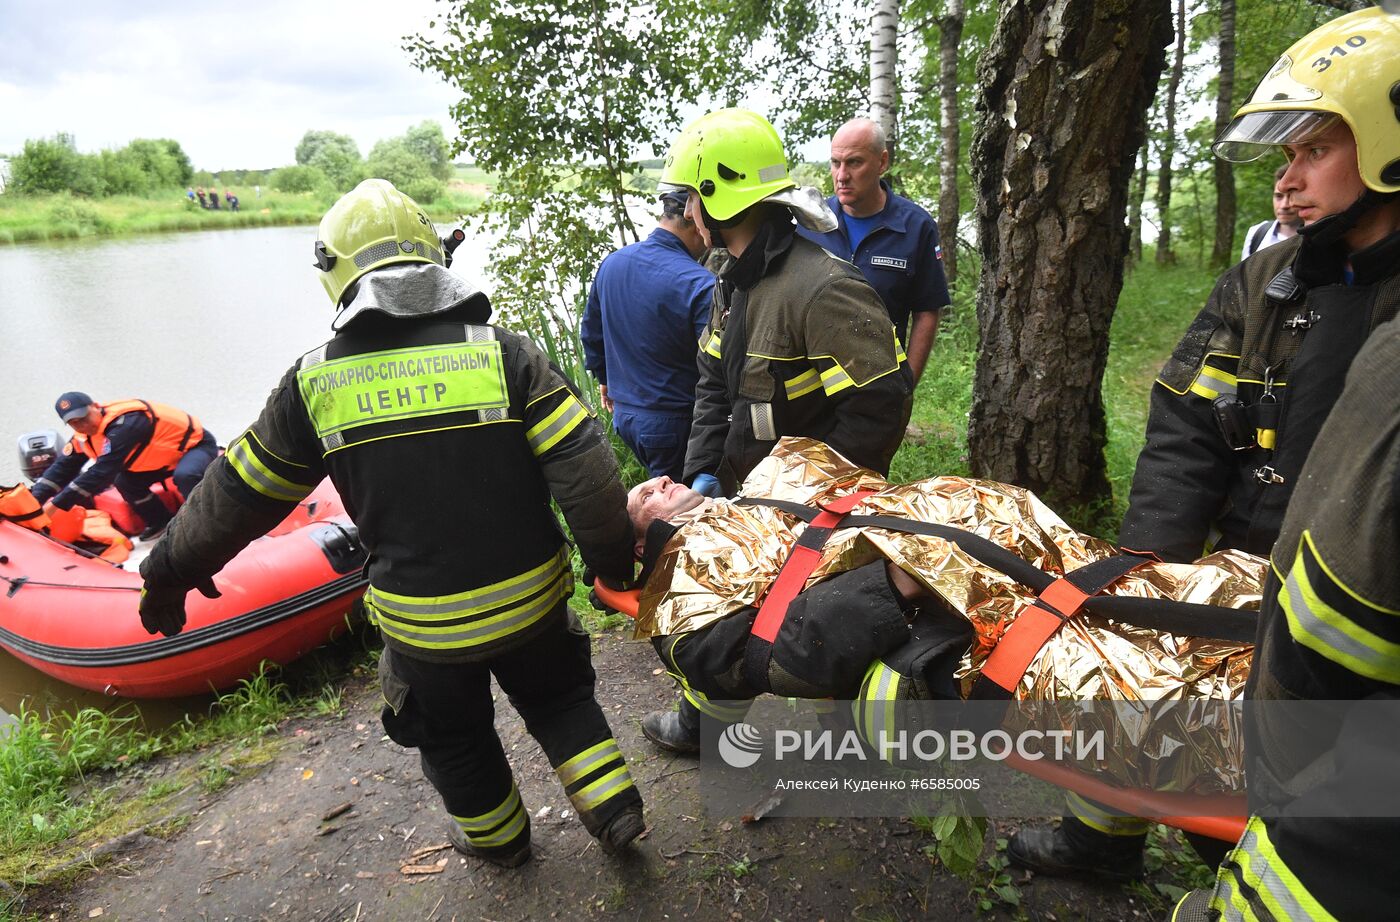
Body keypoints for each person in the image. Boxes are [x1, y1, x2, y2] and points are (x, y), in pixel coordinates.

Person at [136, 178, 647, 867]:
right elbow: (587, 476)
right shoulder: (504, 353)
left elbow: (237, 498)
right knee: (560, 702)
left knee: (452, 733)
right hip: (532, 600)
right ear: (434, 259)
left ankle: (499, 842)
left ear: (338, 274)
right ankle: (614, 810)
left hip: (422, 628)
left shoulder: (314, 384)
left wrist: (170, 571)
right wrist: (610, 561)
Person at [1009, 5, 1400, 882]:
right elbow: (1186, 426)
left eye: (1313, 151)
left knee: (1293, 792)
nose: (1286, 179)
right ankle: (1098, 841)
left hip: (1345, 612)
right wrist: (1153, 566)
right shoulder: (1264, 280)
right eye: (1285, 155)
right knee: (1137, 675)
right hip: (1230, 558)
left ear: (1388, 148)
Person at [660, 108, 914, 507]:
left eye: (692, 197)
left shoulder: (825, 289)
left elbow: (879, 409)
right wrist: (703, 471)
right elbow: (712, 386)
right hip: (747, 501)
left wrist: (806, 499)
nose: (690, 213)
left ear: (718, 198)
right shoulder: (731, 282)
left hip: (804, 514)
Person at [795, 118, 952, 383]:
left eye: (854, 162)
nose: (842, 175)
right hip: (813, 391)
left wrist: (907, 384)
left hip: (879, 387)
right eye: (836, 163)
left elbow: (927, 310)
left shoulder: (915, 227)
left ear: (882, 162)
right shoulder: (809, 223)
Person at [581, 188, 715, 480]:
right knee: (683, 511)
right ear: (696, 220)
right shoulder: (699, 283)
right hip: (674, 424)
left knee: (661, 494)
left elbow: (591, 334)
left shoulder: (613, 263)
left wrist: (604, 379)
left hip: (626, 417)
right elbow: (716, 367)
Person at [29, 392, 218, 541]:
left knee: (186, 474)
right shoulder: (82, 437)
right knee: (125, 481)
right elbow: (61, 469)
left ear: (95, 406)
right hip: (158, 459)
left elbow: (102, 472)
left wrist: (55, 505)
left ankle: (208, 521)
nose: (82, 425)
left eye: (84, 417)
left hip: (193, 447)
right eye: (74, 422)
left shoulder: (126, 424)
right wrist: (32, 502)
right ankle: (160, 522)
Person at [1240, 165, 1302, 260]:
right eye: (1278, 196)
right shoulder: (1257, 233)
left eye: (1291, 197)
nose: (1284, 205)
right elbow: (1245, 274)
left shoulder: (1319, 240)